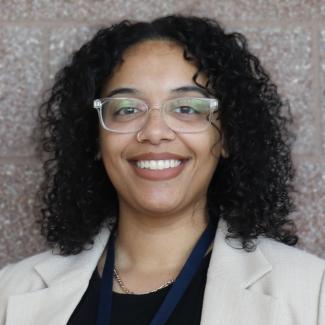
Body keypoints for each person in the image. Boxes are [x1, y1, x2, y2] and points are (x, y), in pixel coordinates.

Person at [0, 15, 324, 325]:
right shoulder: (11, 291)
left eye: (187, 108)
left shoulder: (311, 292)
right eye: (126, 109)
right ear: (95, 139)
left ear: (226, 136)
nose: (155, 132)